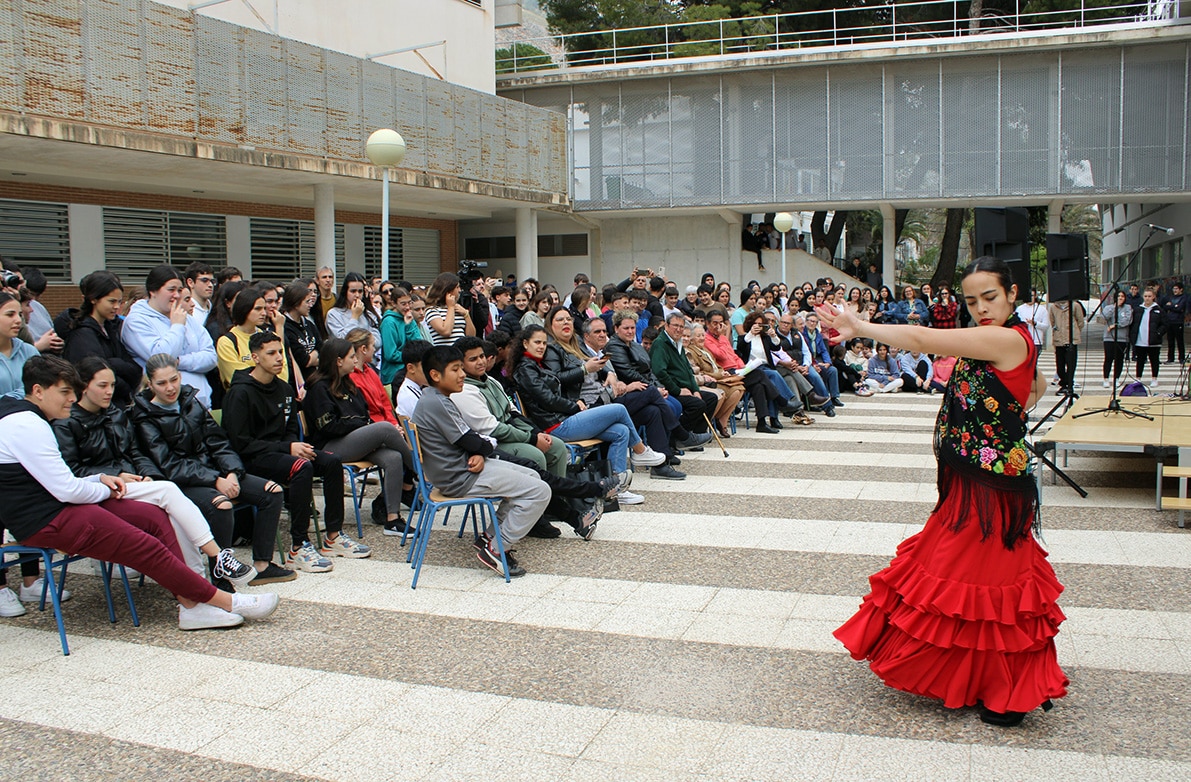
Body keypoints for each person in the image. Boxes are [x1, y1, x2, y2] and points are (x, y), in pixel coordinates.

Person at [822, 255, 1065, 727]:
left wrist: (861, 326)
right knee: (973, 579)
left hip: (991, 489)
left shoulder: (1004, 338)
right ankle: (991, 682)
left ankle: (1009, 689)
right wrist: (1001, 414)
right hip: (978, 479)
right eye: (972, 301)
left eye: (990, 297)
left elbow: (921, 338)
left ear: (1013, 294)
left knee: (982, 582)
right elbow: (1035, 387)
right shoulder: (1008, 340)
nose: (981, 308)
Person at [3, 356, 278, 630]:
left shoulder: (30, 419)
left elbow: (71, 481)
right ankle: (223, 601)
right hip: (47, 518)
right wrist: (106, 486)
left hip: (64, 505)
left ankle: (193, 604)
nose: (72, 398)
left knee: (156, 517)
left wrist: (102, 479)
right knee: (146, 544)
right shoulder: (27, 424)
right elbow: (67, 489)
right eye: (64, 392)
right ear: (38, 391)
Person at [53, 357, 256, 590]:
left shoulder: (115, 414)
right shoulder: (66, 423)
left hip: (130, 485)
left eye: (112, 385)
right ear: (83, 386)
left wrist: (148, 475)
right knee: (170, 493)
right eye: (102, 386)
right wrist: (118, 474)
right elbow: (72, 470)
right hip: (99, 492)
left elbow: (135, 452)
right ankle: (214, 564)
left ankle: (200, 583)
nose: (110, 391)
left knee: (175, 512)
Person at [131, 353, 293, 585]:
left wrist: (232, 472)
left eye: (174, 379)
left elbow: (218, 442)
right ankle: (220, 577)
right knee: (221, 505)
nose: (170, 388)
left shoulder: (190, 401)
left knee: (272, 492)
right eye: (162, 383)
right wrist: (217, 480)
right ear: (150, 385)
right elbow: (169, 465)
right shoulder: (144, 416)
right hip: (181, 483)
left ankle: (262, 565)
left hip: (212, 472)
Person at [221, 332, 370, 572]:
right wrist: (288, 448)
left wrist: (294, 447)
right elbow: (240, 443)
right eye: (271, 353)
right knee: (302, 467)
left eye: (280, 352)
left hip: (281, 453)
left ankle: (333, 536)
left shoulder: (284, 389)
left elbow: (289, 430)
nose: (279, 358)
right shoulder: (240, 393)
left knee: (331, 461)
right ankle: (299, 546)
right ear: (255, 357)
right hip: (251, 459)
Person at [413, 345, 552, 576]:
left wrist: (478, 449)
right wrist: (481, 448)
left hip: (461, 466)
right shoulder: (437, 403)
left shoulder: (435, 397)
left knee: (532, 475)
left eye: (461, 368)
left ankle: (489, 536)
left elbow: (470, 441)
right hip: (458, 476)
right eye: (455, 369)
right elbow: (474, 441)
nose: (462, 375)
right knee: (540, 491)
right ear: (435, 375)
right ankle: (497, 549)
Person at [510, 325, 663, 505]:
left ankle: (617, 488)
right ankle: (640, 451)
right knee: (619, 409)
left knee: (621, 431)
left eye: (544, 343)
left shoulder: (537, 364)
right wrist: (574, 406)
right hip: (555, 425)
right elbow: (547, 400)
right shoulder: (526, 368)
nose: (542, 346)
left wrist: (575, 403)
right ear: (525, 343)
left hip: (562, 418)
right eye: (537, 342)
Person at [302, 339, 412, 535]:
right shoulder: (319, 388)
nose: (355, 360)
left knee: (393, 457)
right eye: (351, 356)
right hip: (329, 446)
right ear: (338, 361)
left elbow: (363, 414)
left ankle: (392, 519)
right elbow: (329, 426)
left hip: (353, 440)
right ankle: (420, 470)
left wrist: (362, 427)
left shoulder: (348, 384)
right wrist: (362, 426)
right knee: (385, 428)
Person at [122, 265, 219, 407]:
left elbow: (211, 357)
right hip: (163, 409)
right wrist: (177, 326)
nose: (177, 295)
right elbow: (162, 358)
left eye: (179, 290)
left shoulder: (187, 318)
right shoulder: (136, 321)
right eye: (171, 290)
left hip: (201, 405)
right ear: (153, 291)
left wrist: (180, 361)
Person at [216, 286, 291, 389]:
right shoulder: (227, 342)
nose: (263, 313)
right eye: (258, 309)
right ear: (244, 309)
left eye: (264, 308)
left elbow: (283, 375)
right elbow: (236, 377)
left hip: (273, 394)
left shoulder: (269, 336)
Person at [324, 272, 382, 359]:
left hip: (366, 361)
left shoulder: (368, 314)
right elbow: (343, 340)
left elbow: (377, 343)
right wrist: (354, 317)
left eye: (360, 291)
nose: (357, 295)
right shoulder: (334, 314)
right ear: (345, 292)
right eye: (353, 291)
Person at [380, 286, 421, 387]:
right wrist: (411, 356)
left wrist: (409, 326)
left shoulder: (409, 317)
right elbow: (391, 354)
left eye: (409, 303)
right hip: (394, 376)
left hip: (409, 372)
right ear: (394, 303)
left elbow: (418, 344)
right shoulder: (389, 322)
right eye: (403, 304)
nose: (407, 307)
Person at [1046, 297, 1086, 396]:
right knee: (1060, 365)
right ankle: (1064, 383)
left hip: (1071, 339)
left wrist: (1075, 332)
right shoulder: (1053, 307)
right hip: (1059, 340)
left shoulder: (1075, 305)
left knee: (1071, 364)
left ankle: (1068, 385)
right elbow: (1052, 321)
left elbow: (1080, 322)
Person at [423, 272, 476, 346]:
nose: (459, 290)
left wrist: (466, 314)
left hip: (461, 351)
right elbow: (446, 331)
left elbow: (471, 336)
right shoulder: (432, 310)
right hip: (444, 350)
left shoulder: (459, 309)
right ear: (448, 290)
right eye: (457, 287)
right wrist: (450, 307)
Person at [1131, 287, 1164, 388]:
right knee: (1140, 360)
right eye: (1145, 296)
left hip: (1154, 341)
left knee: (1154, 360)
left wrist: (1158, 333)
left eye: (1149, 296)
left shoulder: (1158, 310)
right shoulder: (1138, 309)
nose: (1147, 298)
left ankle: (1154, 378)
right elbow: (1133, 323)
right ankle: (1138, 378)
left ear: (1153, 297)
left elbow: (1165, 324)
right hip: (1140, 340)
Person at [1161, 281, 1188, 364]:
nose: (1174, 290)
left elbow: (1180, 308)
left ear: (1181, 289)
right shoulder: (1171, 297)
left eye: (1176, 289)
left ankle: (1181, 358)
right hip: (1170, 321)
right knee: (1170, 341)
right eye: (1174, 289)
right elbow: (1165, 307)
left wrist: (1171, 306)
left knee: (1180, 341)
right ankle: (1170, 358)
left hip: (1178, 321)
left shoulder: (1183, 298)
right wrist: (1174, 306)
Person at [183, 262, 216, 326]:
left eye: (212, 281)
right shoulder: (186, 311)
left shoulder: (216, 309)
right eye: (205, 280)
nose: (210, 285)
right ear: (190, 282)